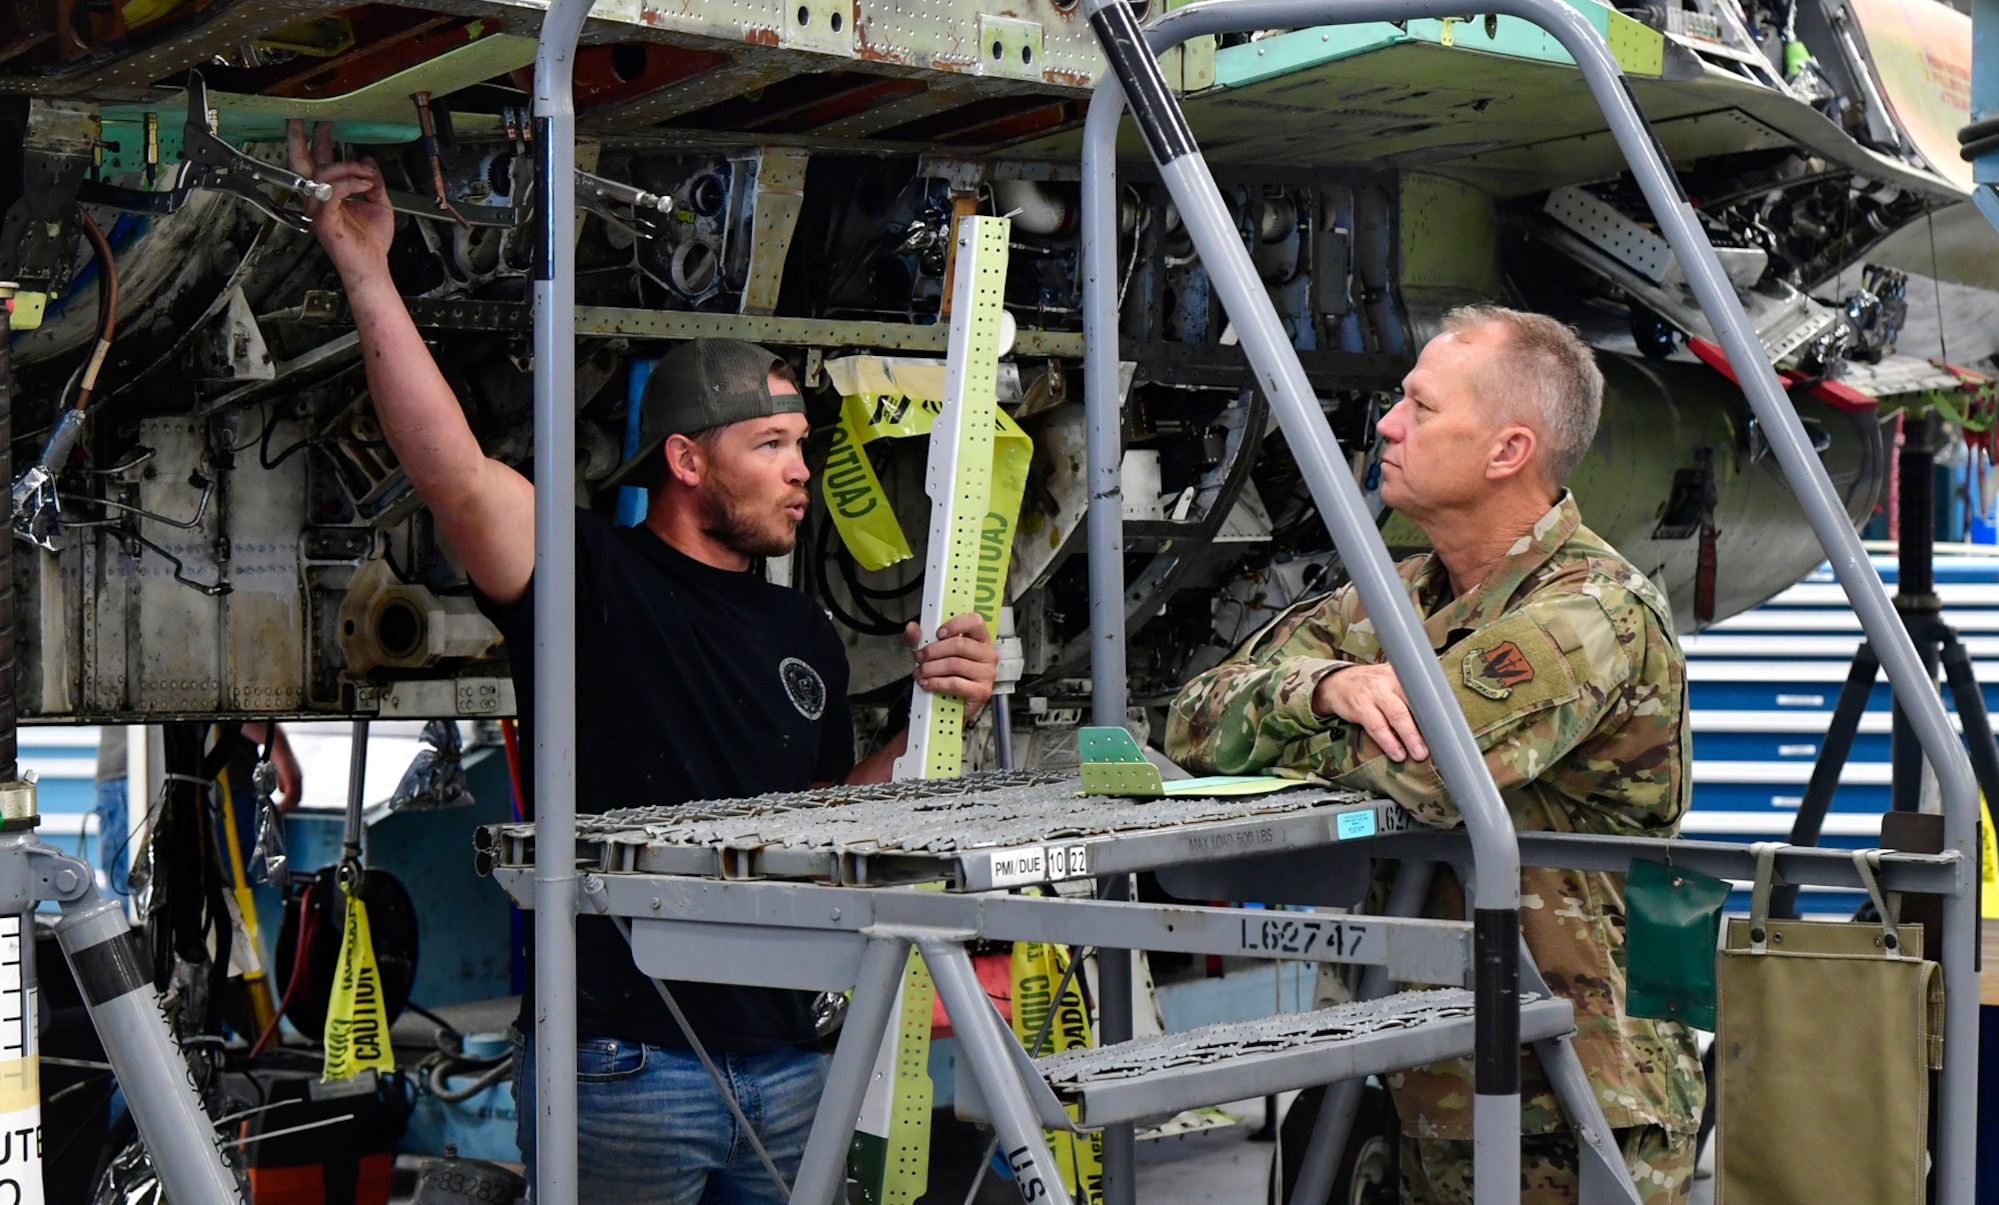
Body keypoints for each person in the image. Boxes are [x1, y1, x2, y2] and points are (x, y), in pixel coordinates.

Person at [286, 122, 998, 1202]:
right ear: (683, 460)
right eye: (770, 447)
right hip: (625, 1066)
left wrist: (923, 726)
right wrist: (365, 268)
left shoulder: (801, 634)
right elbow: (454, 473)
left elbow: (820, 822)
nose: (800, 472)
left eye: (803, 447)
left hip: (791, 1062)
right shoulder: (587, 578)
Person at [1166, 306, 1701, 1204]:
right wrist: (1329, 688)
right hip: (1434, 1070)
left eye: (1420, 405)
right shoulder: (1393, 594)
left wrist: (1292, 714)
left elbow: (1427, 771)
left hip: (1578, 1094)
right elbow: (1189, 720)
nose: (1387, 423)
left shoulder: (1594, 611)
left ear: (1506, 452)